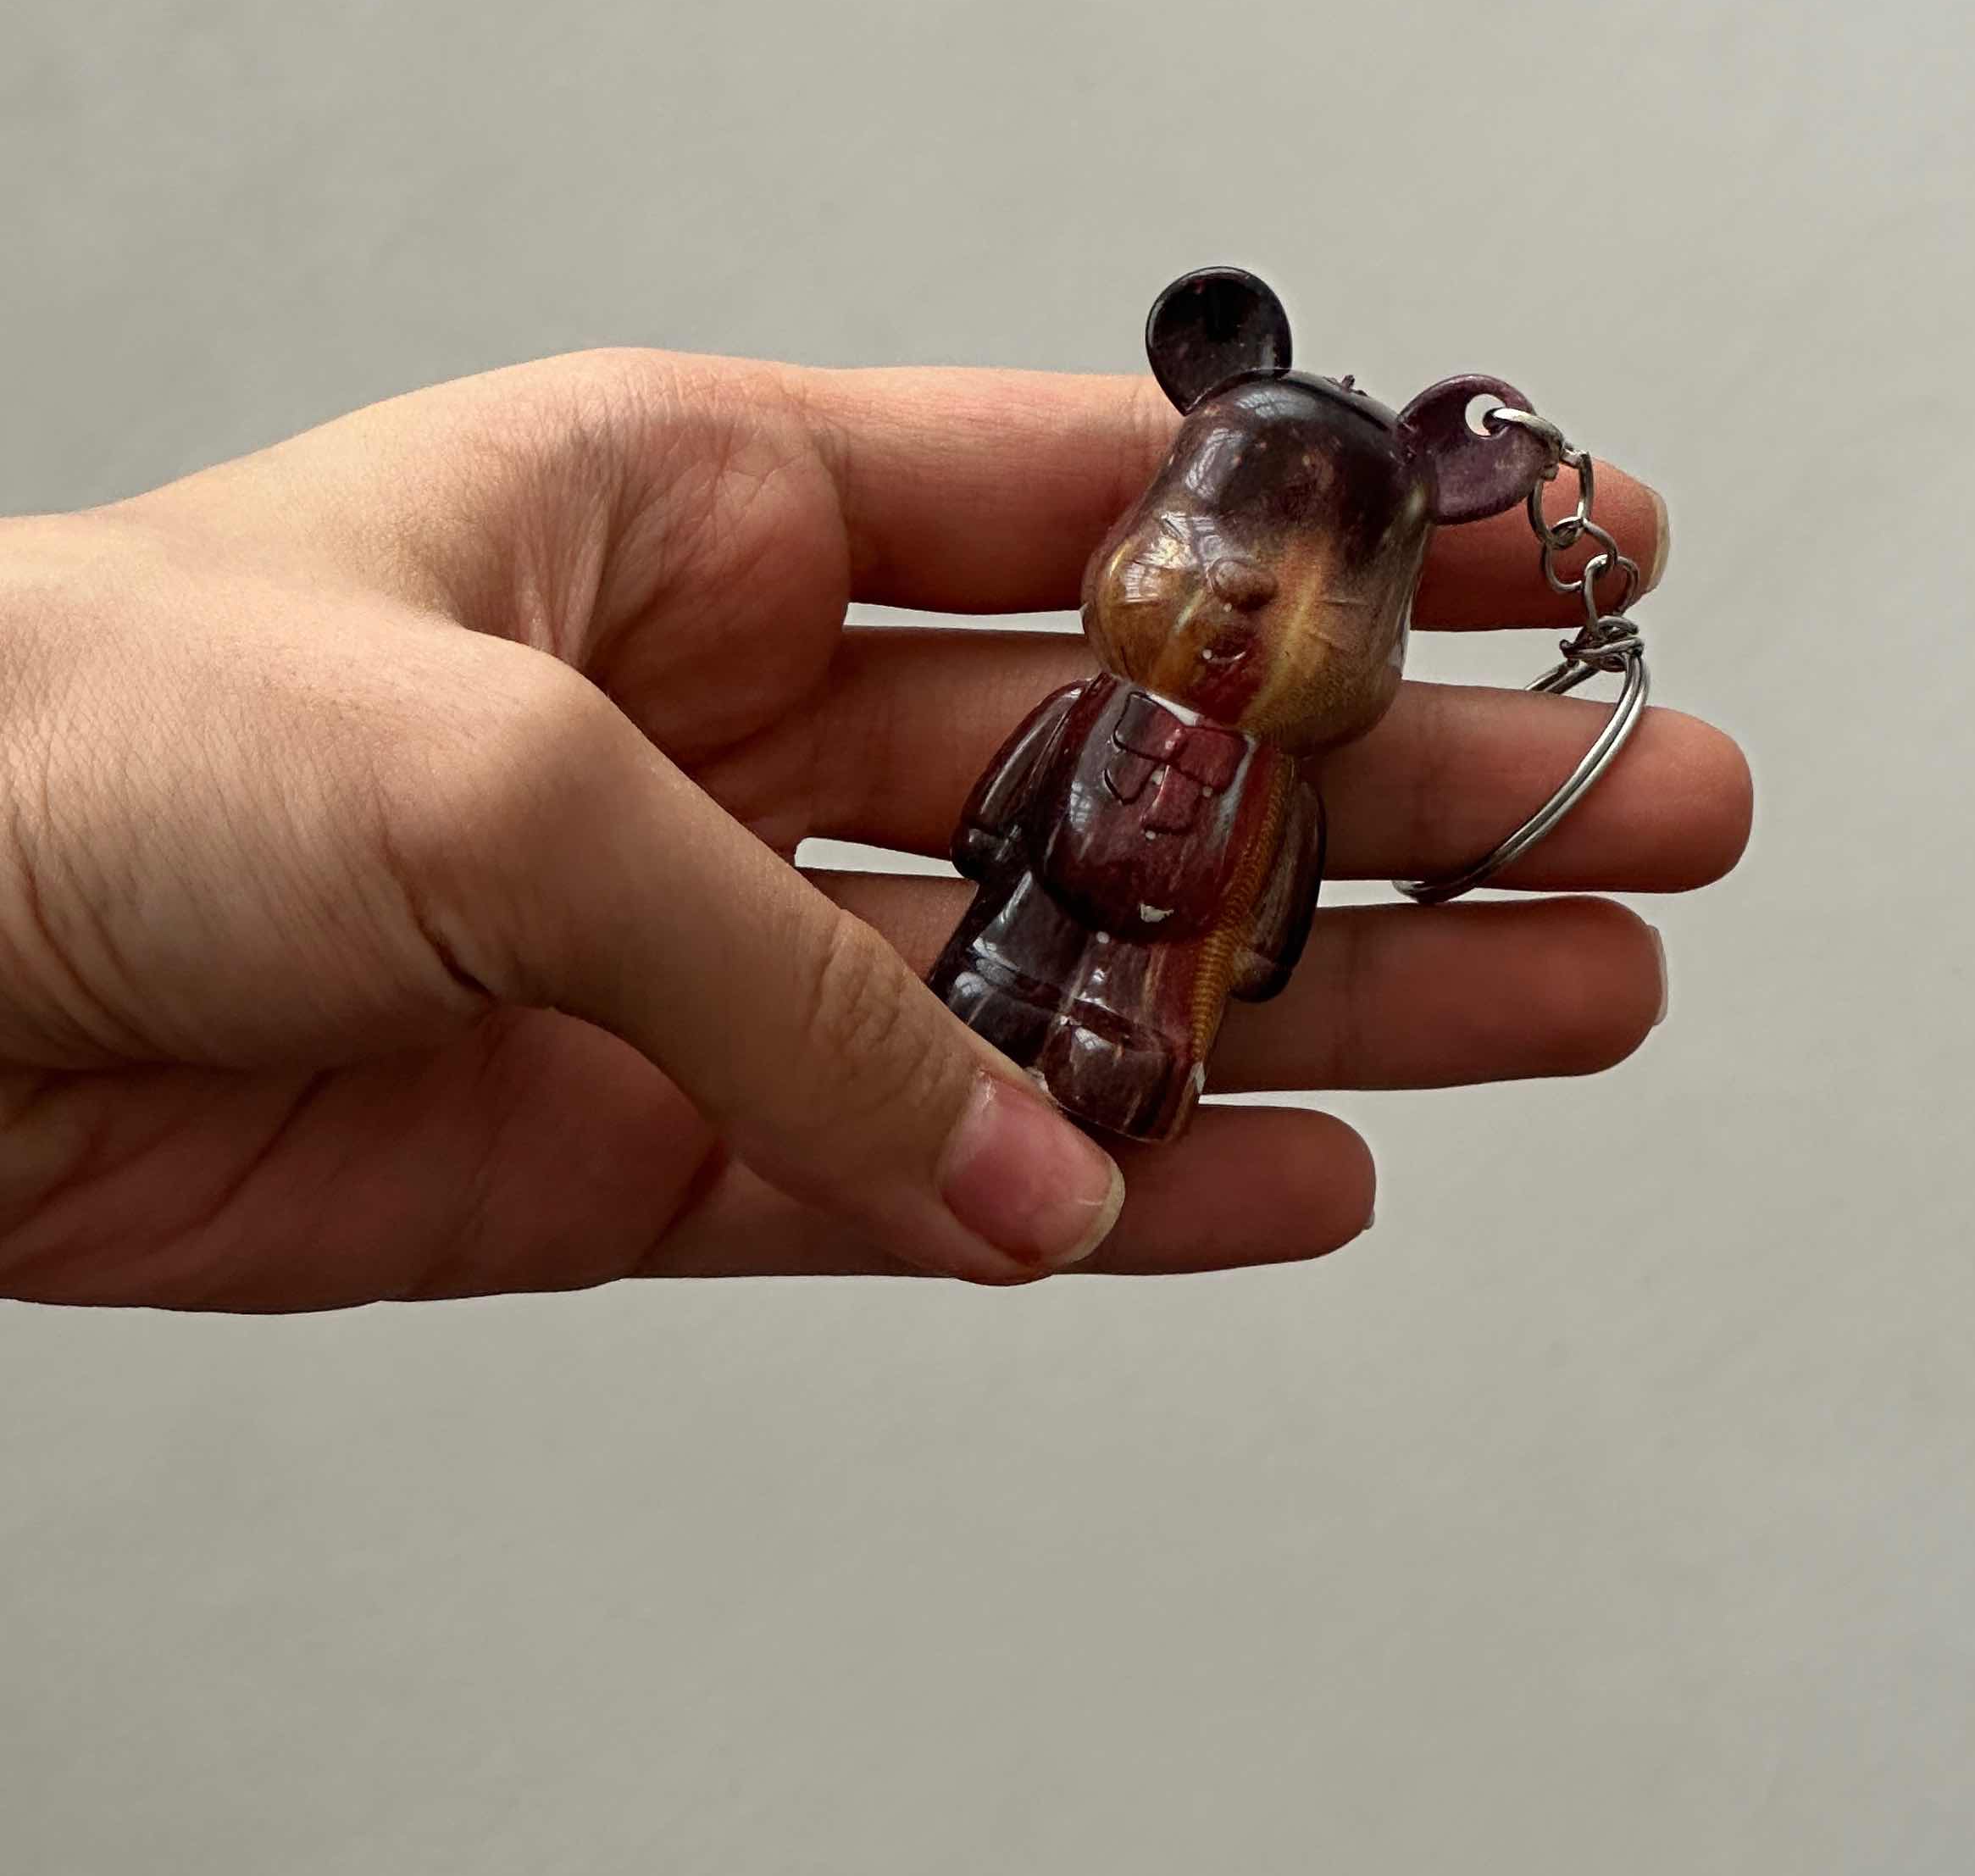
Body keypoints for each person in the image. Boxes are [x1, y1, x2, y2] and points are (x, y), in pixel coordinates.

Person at [0, 348, 1749, 1309]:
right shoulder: (1087, 712)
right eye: (1216, 561)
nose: (1237, 617)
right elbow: (1003, 826)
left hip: (1157, 973)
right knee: (999, 960)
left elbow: (1264, 930)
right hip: (1030, 921)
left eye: (1305, 602)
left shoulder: (1279, 788)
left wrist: (1231, 949)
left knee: (1150, 1018)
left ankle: (1114, 1037)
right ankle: (1007, 1005)